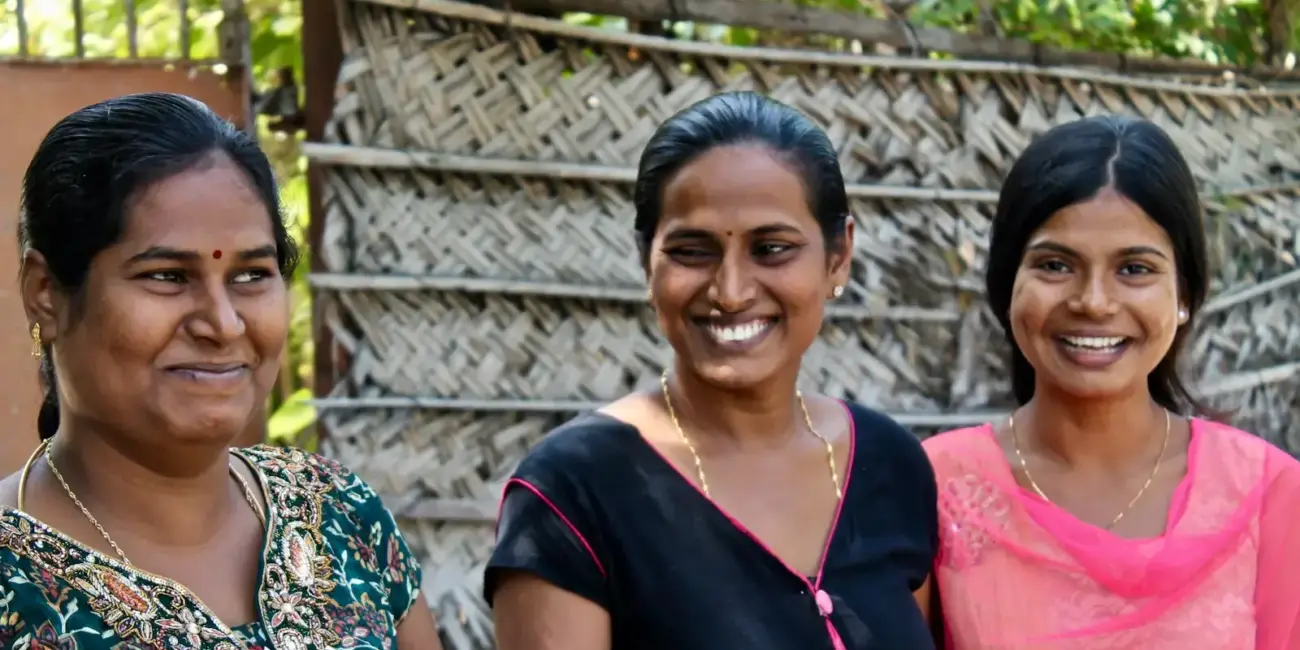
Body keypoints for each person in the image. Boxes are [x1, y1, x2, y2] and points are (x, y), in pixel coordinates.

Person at [485, 91, 938, 650]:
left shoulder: (890, 464)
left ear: (838, 255)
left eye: (771, 248)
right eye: (691, 251)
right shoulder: (575, 489)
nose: (730, 291)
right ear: (645, 260)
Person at [0, 92, 443, 650]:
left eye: (252, 274)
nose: (224, 323)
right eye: (166, 276)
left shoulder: (339, 514)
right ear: (46, 294)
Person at [920, 115, 1300, 649]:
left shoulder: (1269, 495)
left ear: (1185, 293)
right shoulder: (933, 487)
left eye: (1135, 269)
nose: (1093, 302)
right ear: (1007, 284)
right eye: (1055, 265)